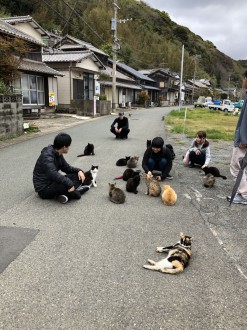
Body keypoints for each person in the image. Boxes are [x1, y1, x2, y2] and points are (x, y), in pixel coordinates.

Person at [33, 132, 89, 204]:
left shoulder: (58, 153)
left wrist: (79, 171)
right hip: (44, 189)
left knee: (77, 176)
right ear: (64, 147)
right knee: (68, 185)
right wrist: (69, 184)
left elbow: (67, 168)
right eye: (69, 146)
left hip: (54, 182)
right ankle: (76, 192)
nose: (69, 148)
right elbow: (53, 174)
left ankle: (68, 194)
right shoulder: (47, 157)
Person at [227, 71, 247, 205]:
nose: (243, 81)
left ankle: (244, 195)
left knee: (236, 166)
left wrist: (244, 140)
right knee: (244, 168)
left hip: (243, 141)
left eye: (244, 78)